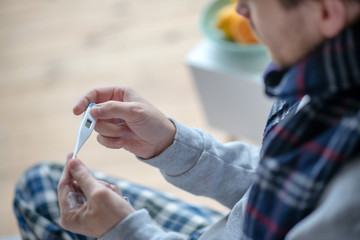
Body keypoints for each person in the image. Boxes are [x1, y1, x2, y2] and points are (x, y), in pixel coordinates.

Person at [13, 0, 360, 239]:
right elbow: (279, 179)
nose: (239, 9)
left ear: (327, 12)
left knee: (34, 190)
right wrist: (171, 143)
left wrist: (120, 230)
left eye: (254, 1)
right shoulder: (329, 82)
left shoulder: (350, 203)